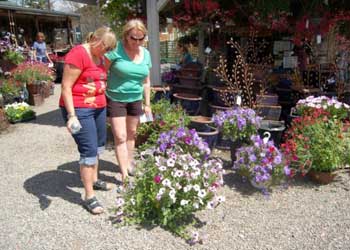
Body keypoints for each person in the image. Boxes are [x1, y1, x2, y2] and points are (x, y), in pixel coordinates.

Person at [59, 27, 116, 214]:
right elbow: (66, 87)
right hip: (80, 109)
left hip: (99, 107)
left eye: (109, 50)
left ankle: (94, 179)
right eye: (105, 48)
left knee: (99, 146)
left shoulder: (100, 56)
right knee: (88, 150)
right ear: (96, 40)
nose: (106, 53)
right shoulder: (78, 54)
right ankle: (89, 196)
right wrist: (71, 115)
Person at [104, 19, 152, 190]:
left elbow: (146, 81)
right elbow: (103, 70)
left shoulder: (146, 54)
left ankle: (129, 162)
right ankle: (124, 174)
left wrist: (147, 103)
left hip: (135, 99)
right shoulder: (116, 50)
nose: (137, 42)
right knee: (120, 136)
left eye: (141, 38)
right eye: (134, 38)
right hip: (116, 98)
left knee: (131, 133)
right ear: (126, 35)